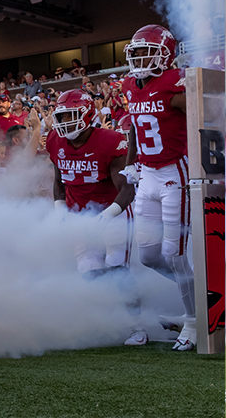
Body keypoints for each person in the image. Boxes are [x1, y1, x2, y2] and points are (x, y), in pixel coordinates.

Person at [46, 89, 145, 345]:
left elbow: (127, 189)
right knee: (89, 272)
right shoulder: (55, 141)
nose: (64, 122)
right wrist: (60, 210)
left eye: (71, 115)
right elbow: (59, 181)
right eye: (62, 115)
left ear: (88, 114)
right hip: (79, 215)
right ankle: (111, 320)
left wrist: (107, 214)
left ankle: (138, 326)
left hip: (113, 211)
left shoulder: (110, 141)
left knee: (117, 268)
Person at [121, 24, 194, 351]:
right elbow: (137, 127)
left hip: (174, 172)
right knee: (149, 256)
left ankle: (195, 320)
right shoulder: (130, 85)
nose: (140, 57)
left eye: (147, 51)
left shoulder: (173, 82)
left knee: (174, 255)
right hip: (146, 175)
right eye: (136, 51)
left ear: (165, 54)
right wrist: (131, 162)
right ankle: (201, 292)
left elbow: (202, 114)